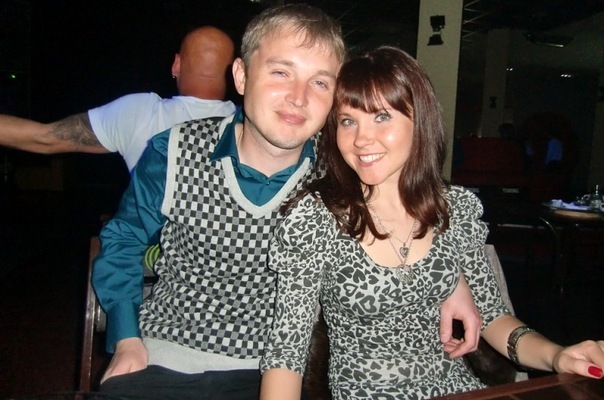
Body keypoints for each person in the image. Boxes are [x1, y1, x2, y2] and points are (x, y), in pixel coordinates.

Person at [92, 7, 480, 400]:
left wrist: (454, 280)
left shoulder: (346, 168)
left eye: (320, 82)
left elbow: (409, 214)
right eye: (281, 73)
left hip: (286, 371)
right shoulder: (175, 151)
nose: (299, 98)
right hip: (165, 360)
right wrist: (126, 339)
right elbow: (124, 239)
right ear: (241, 75)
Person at [259, 46, 604, 400]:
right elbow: (287, 351)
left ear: (419, 121)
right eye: (348, 121)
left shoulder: (453, 210)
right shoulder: (317, 217)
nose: (361, 139)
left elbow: (493, 317)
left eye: (382, 117)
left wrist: (557, 355)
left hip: (458, 389)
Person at [0, 25, 236, 171]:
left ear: (176, 64)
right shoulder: (250, 123)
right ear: (237, 73)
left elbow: (44, 138)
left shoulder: (140, 113)